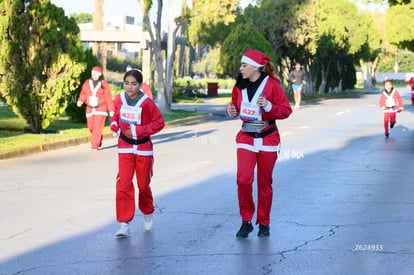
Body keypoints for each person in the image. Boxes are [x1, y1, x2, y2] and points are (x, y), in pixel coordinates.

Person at [227, 49, 292, 238]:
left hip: (268, 138)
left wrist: (269, 106)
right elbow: (235, 105)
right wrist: (232, 110)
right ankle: (246, 220)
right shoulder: (239, 85)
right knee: (243, 179)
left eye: (244, 65)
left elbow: (286, 111)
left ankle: (264, 222)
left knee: (265, 183)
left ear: (255, 67)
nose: (241, 69)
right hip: (246, 136)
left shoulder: (272, 85)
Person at [110, 69, 165, 238]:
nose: (129, 87)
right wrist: (114, 124)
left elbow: (159, 123)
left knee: (143, 185)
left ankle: (148, 212)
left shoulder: (147, 102)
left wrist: (138, 130)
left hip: (143, 149)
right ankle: (124, 223)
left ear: (140, 85)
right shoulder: (119, 99)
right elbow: (116, 116)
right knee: (124, 184)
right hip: (125, 147)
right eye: (126, 83)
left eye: (133, 84)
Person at [77, 66, 114, 150]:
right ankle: (98, 137)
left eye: (96, 74)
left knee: (97, 126)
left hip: (101, 108)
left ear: (100, 75)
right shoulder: (87, 83)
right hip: (89, 108)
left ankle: (95, 144)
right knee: (91, 127)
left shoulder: (104, 84)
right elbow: (83, 93)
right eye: (93, 74)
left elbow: (108, 97)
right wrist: (80, 101)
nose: (94, 76)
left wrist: (111, 110)